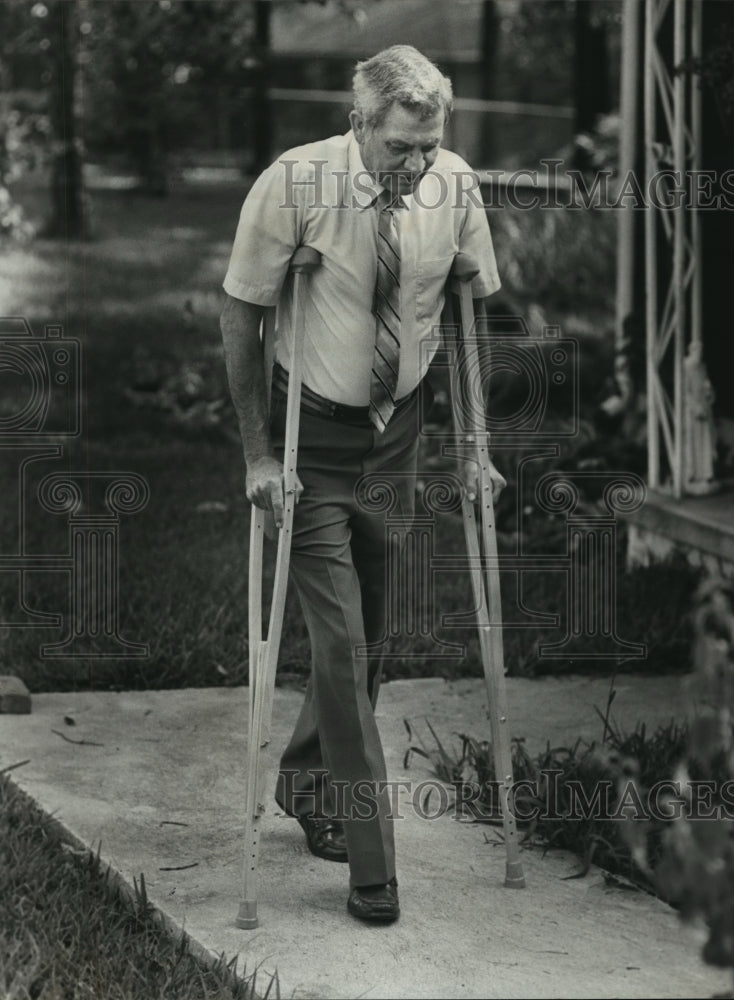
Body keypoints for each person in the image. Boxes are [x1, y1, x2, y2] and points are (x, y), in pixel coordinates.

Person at [221, 44, 504, 924]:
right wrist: (258, 456)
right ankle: (370, 861)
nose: (415, 166)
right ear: (359, 124)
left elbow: (469, 313)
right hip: (312, 436)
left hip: (398, 438)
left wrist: (472, 444)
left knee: (372, 635)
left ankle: (304, 780)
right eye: (399, 148)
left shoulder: (451, 186)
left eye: (428, 146)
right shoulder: (292, 183)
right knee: (340, 645)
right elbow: (241, 309)